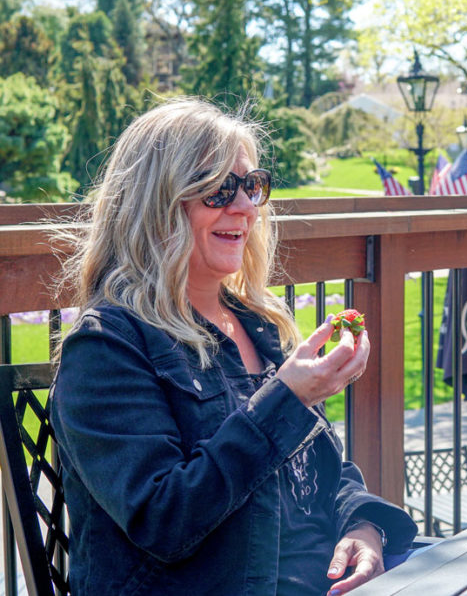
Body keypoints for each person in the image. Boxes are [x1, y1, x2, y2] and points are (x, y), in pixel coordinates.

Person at [51, 97, 417, 596]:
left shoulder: (255, 326)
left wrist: (364, 529)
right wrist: (285, 401)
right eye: (219, 190)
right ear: (155, 205)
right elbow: (165, 520)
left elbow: (323, 472)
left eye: (251, 185)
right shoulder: (107, 348)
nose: (245, 206)